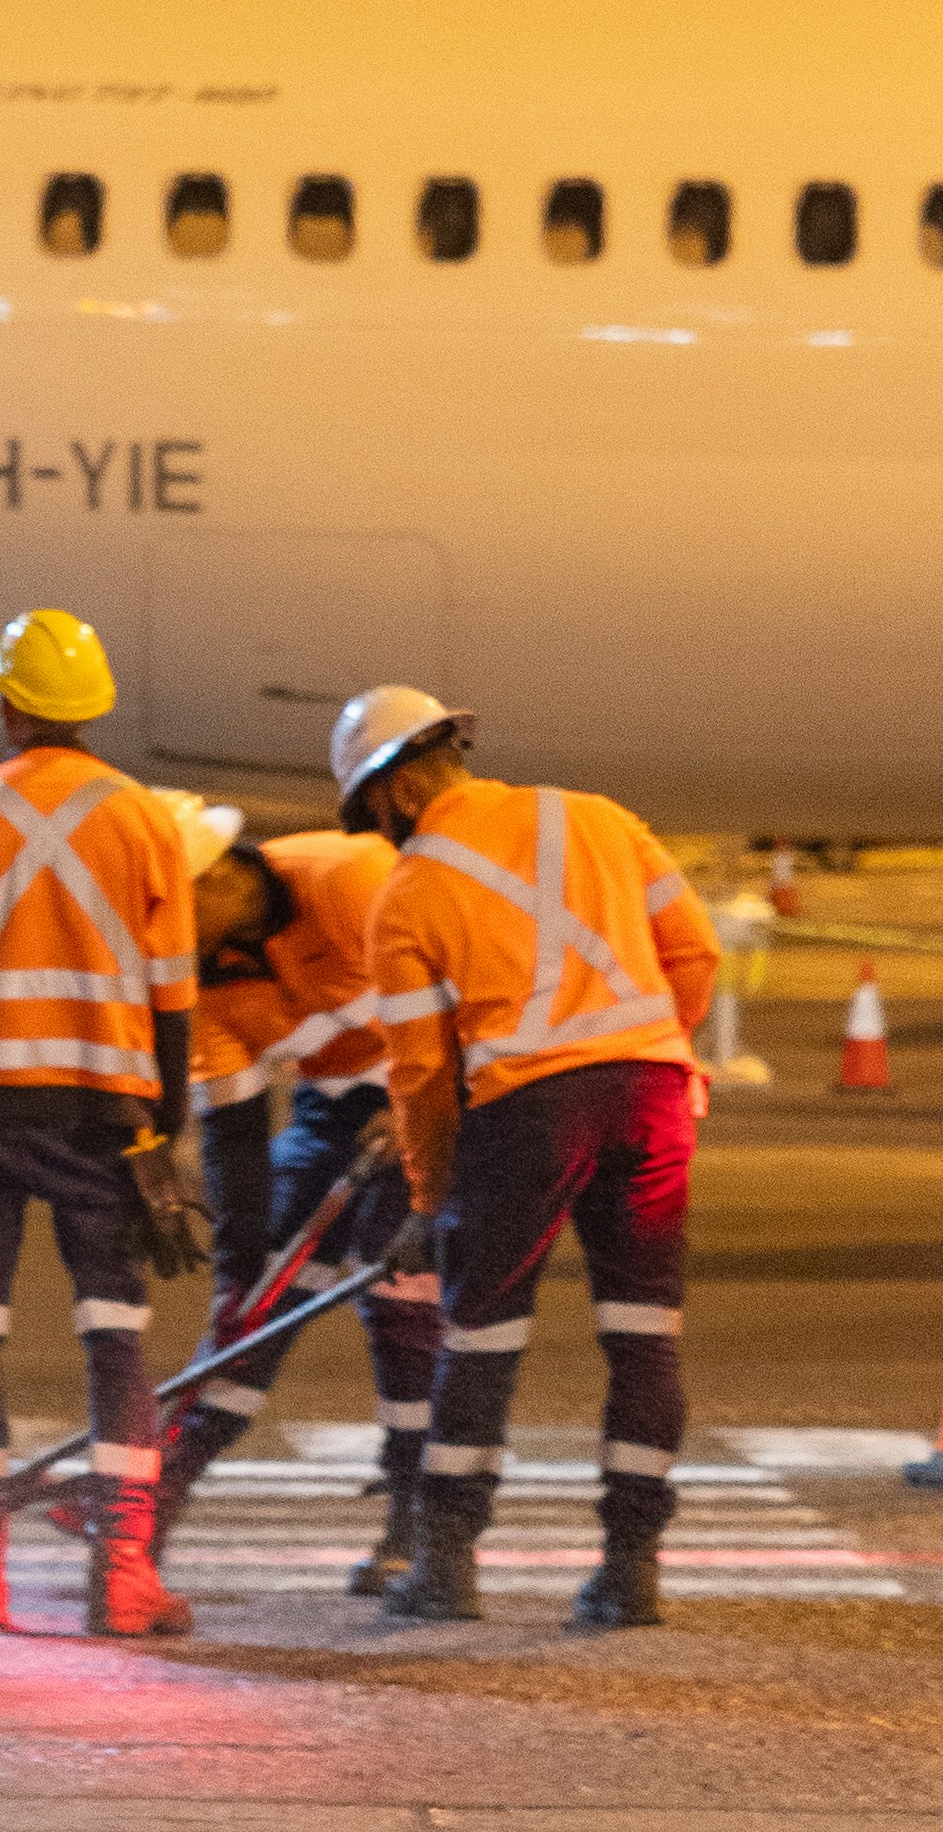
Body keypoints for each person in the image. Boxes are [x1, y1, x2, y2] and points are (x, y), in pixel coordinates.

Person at [339, 686, 718, 1632]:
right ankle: (630, 1571)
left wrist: (427, 1201)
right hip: (653, 1096)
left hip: (527, 1115)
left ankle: (447, 1565)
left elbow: (421, 1074)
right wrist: (648, 1055)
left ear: (388, 795)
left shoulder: (407, 896)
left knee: (483, 1336)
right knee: (642, 1334)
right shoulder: (597, 819)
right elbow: (695, 950)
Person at [0, 605, 205, 1640]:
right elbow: (172, 995)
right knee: (114, 1335)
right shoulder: (146, 820)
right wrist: (168, 1129)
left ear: (12, 701)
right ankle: (121, 1574)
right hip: (105, 1112)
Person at [153, 817, 428, 1592]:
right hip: (331, 1109)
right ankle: (162, 1492)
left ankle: (415, 1524)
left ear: (213, 880)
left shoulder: (348, 875)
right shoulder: (203, 978)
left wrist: (414, 1098)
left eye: (164, 912)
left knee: (401, 1303)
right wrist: (241, 1273)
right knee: (258, 1302)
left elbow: (463, 991)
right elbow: (233, 1135)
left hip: (433, 1091)